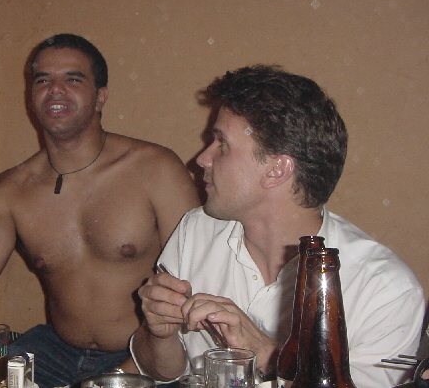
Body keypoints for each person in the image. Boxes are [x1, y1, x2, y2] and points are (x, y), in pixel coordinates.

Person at [0, 33, 199, 388]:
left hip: (144, 354)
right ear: (31, 98)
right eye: (42, 80)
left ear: (100, 96)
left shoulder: (156, 169)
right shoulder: (8, 191)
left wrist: (129, 367)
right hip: (54, 353)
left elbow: (199, 282)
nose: (55, 90)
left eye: (73, 79)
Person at [131, 65, 425, 387]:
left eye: (222, 144)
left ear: (277, 170)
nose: (202, 159)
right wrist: (159, 334)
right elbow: (161, 372)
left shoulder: (382, 288)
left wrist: (267, 354)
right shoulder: (196, 231)